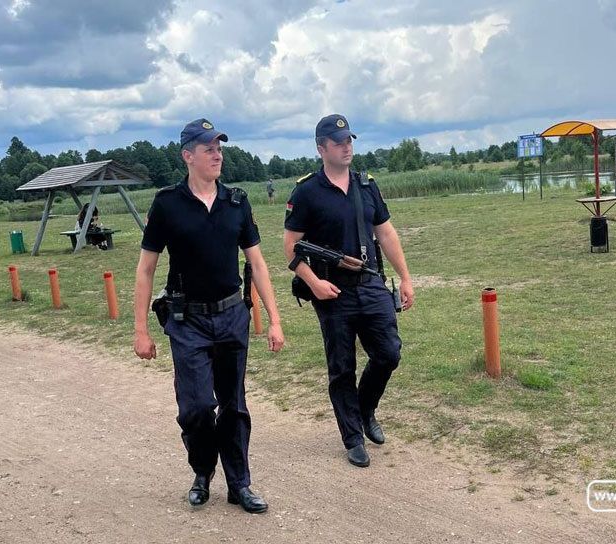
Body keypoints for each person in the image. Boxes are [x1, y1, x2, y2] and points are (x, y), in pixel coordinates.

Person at [133, 118, 285, 513]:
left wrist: (274, 319)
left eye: (219, 148)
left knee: (234, 406)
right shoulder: (167, 204)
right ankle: (202, 470)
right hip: (188, 321)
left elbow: (258, 263)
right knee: (197, 407)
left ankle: (239, 484)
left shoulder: (236, 202)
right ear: (188, 156)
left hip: (232, 314)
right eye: (208, 149)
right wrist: (140, 330)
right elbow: (146, 269)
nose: (217, 155)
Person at [283, 114, 414, 468]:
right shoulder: (306, 191)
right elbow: (291, 247)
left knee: (389, 353)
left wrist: (404, 277)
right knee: (341, 367)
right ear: (321, 148)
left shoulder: (366, 185)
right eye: (338, 142)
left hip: (370, 284)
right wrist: (314, 283)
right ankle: (353, 437)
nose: (346, 147)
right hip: (331, 291)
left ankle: (365, 408)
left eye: (349, 140)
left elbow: (386, 232)